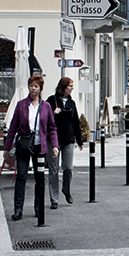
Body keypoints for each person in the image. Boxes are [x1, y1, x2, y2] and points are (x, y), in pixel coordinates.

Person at [4, 75, 58, 220]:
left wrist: (55, 145)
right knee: (21, 176)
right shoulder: (21, 105)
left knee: (39, 178)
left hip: (39, 146)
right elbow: (13, 127)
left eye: (35, 86)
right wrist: (7, 147)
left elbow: (52, 128)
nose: (33, 88)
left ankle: (38, 208)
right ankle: (18, 209)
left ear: (40, 88)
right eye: (31, 86)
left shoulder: (46, 106)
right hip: (23, 145)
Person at [46, 76, 84, 207]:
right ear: (63, 87)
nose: (72, 88)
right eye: (70, 86)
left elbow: (75, 122)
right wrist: (52, 113)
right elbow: (43, 116)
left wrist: (79, 140)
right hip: (54, 139)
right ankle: (54, 199)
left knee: (68, 167)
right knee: (53, 169)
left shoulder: (71, 103)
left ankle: (66, 190)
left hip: (68, 138)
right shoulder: (51, 101)